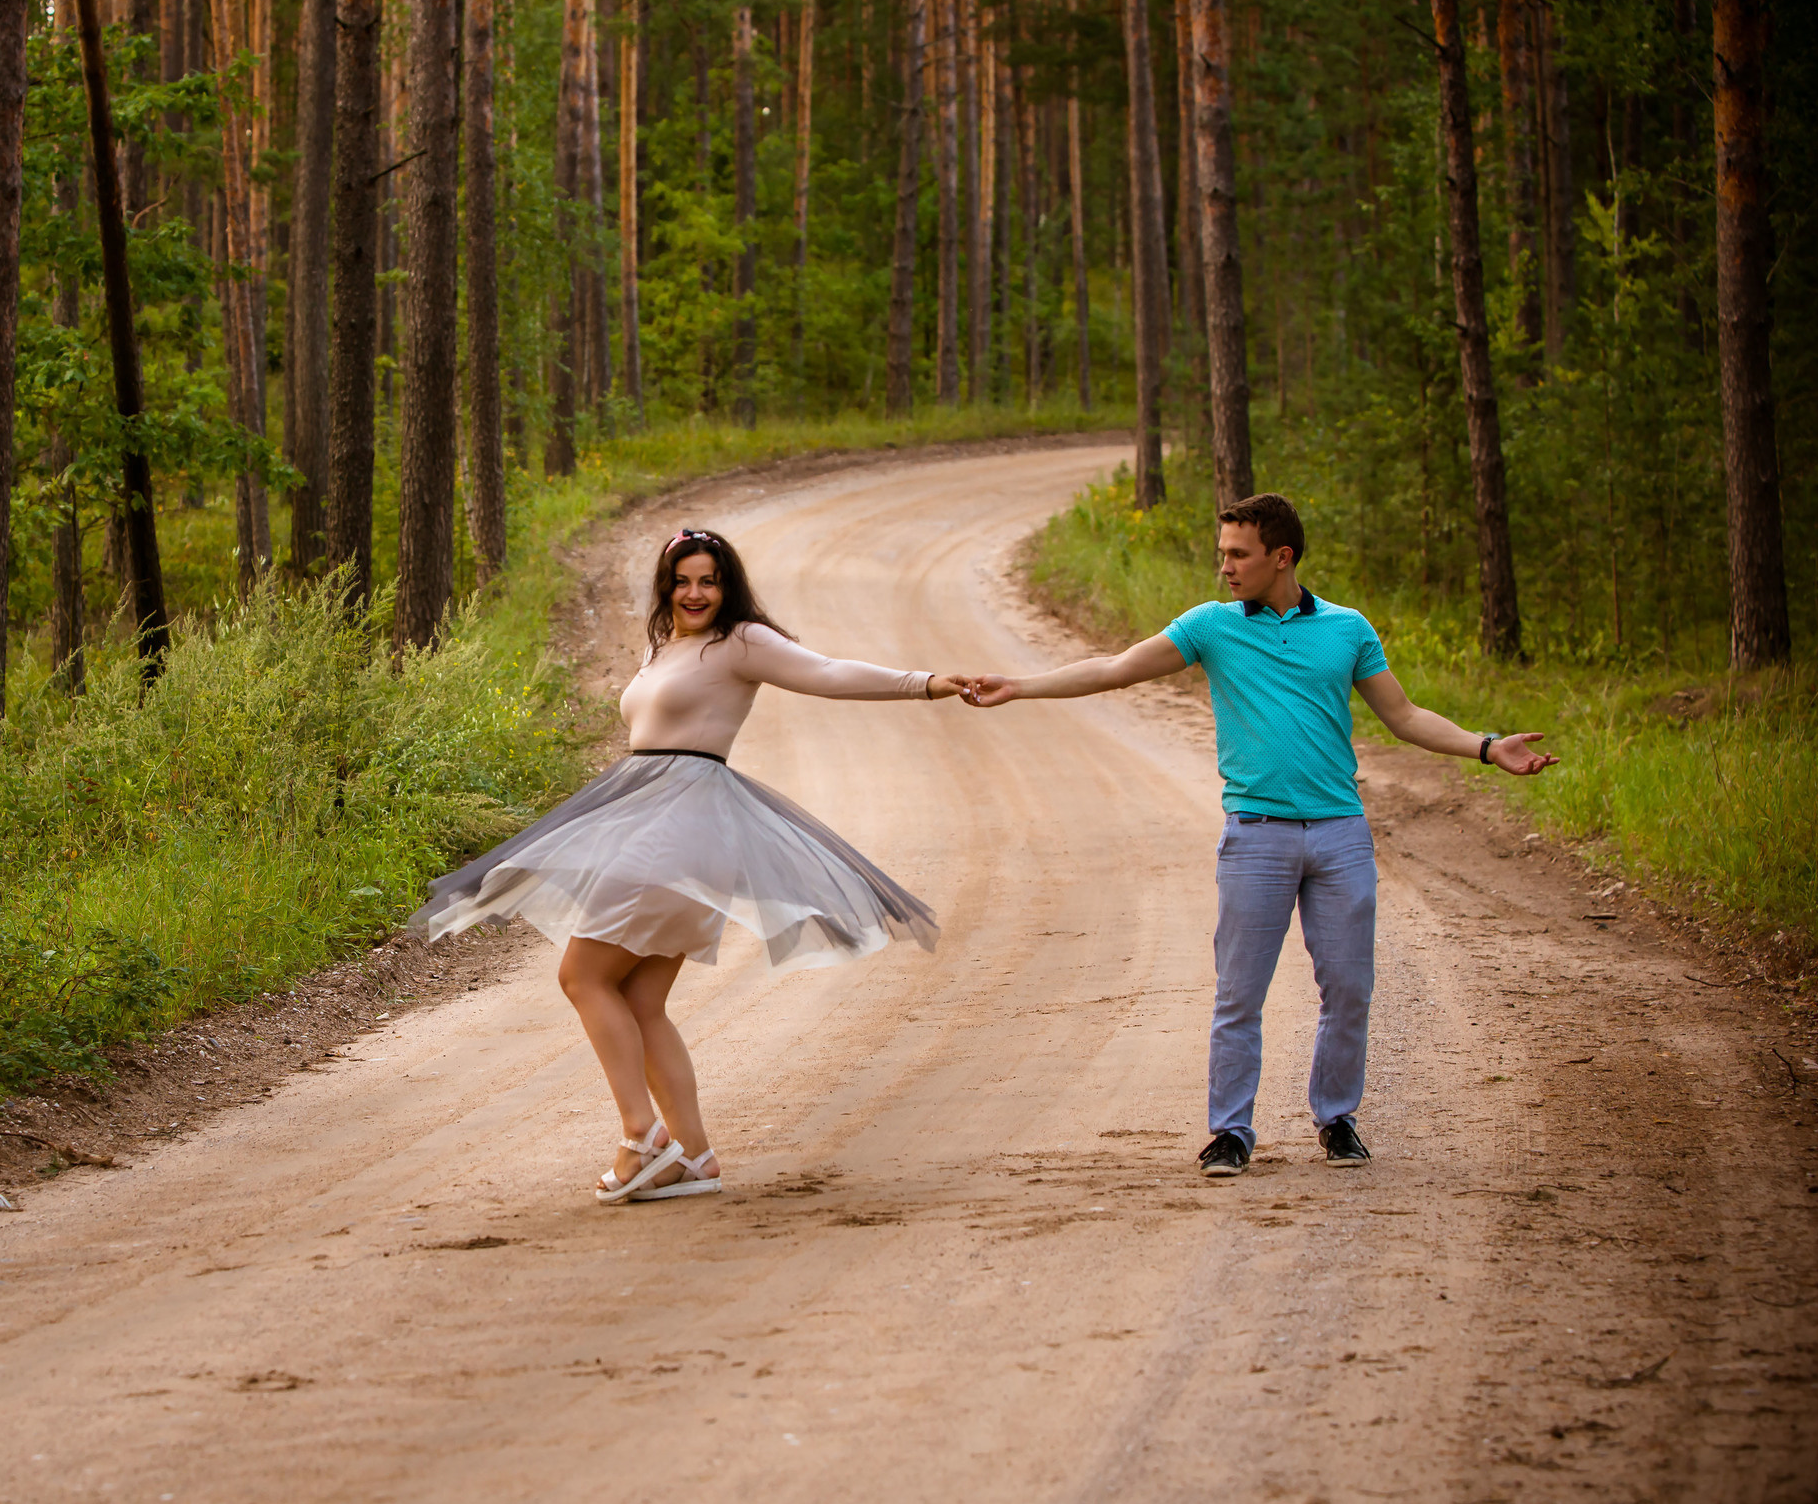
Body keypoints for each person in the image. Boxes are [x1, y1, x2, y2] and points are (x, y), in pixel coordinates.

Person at [963, 492, 1559, 1177]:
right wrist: (1022, 686)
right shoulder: (1210, 628)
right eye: (1222, 554)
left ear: (1282, 557)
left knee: (1349, 989)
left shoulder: (1347, 630)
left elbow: (1404, 716)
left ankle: (1337, 1120)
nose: (1225, 567)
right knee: (1239, 992)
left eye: (1238, 554)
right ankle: (1230, 1132)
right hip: (1258, 837)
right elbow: (1114, 668)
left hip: (1340, 835)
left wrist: (1487, 748)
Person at [410, 528, 968, 1204]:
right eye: (683, 580)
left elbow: (826, 672)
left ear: (727, 587)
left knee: (582, 974)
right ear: (666, 586)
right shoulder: (659, 646)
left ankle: (641, 1134)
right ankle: (695, 1156)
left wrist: (928, 684)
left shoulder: (742, 642)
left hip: (682, 823)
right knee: (642, 1000)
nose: (695, 593)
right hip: (646, 815)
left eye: (709, 580)